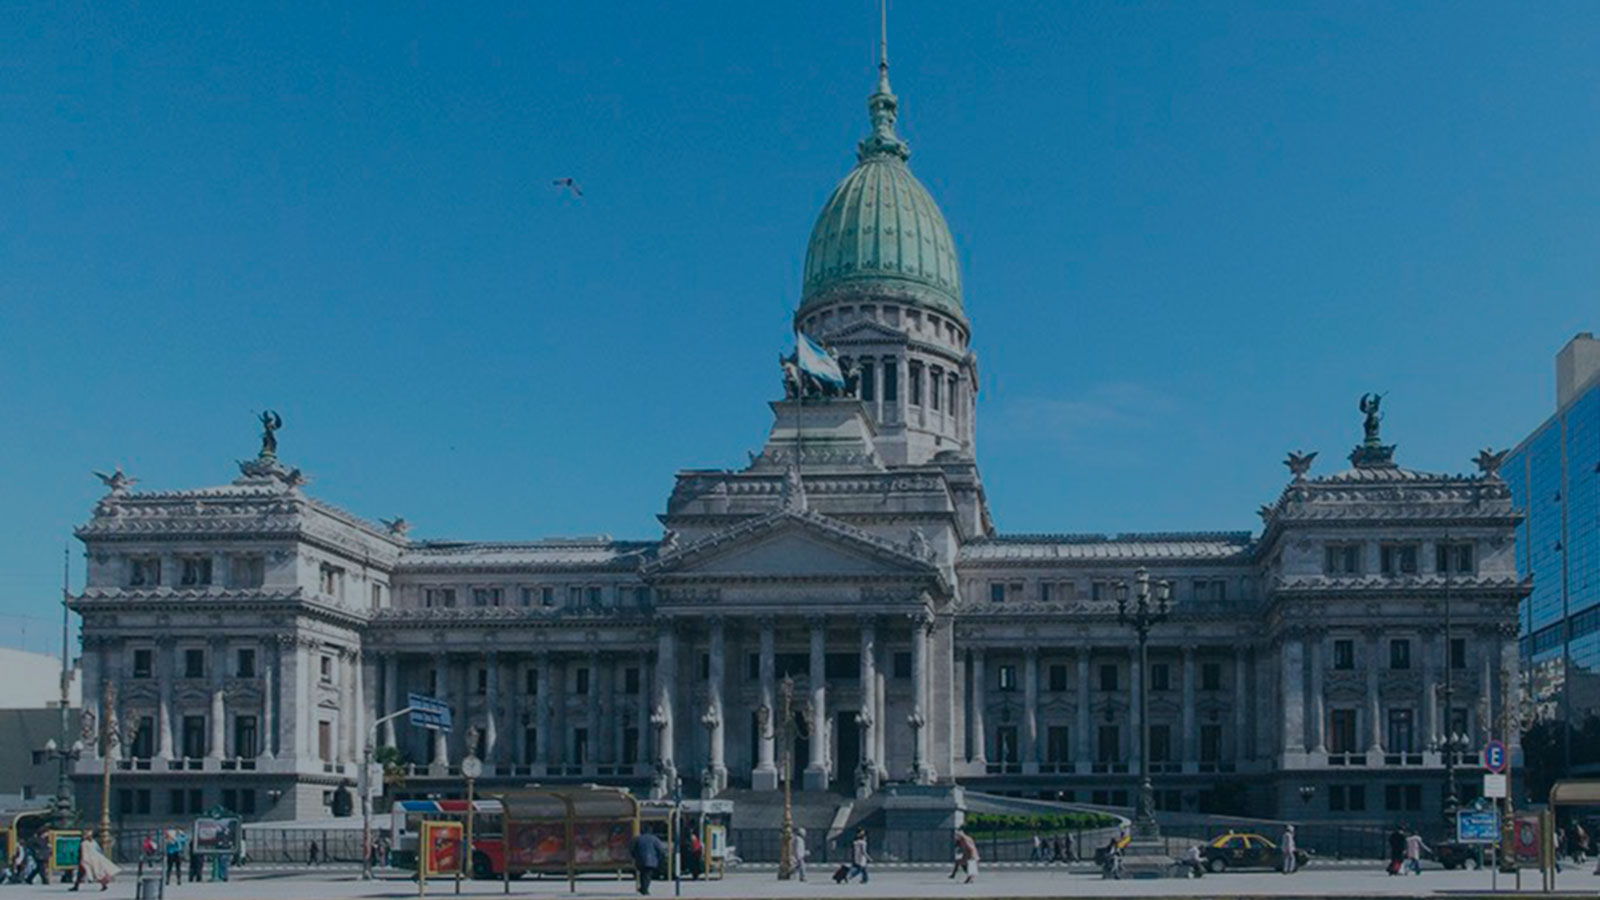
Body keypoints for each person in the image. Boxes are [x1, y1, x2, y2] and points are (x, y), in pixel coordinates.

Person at [629, 828, 666, 896]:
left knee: (642, 874)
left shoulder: (638, 839)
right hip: (651, 860)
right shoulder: (654, 839)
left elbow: (632, 849)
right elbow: (660, 850)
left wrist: (635, 856)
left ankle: (643, 888)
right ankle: (645, 890)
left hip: (640, 860)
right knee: (647, 875)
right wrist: (660, 858)